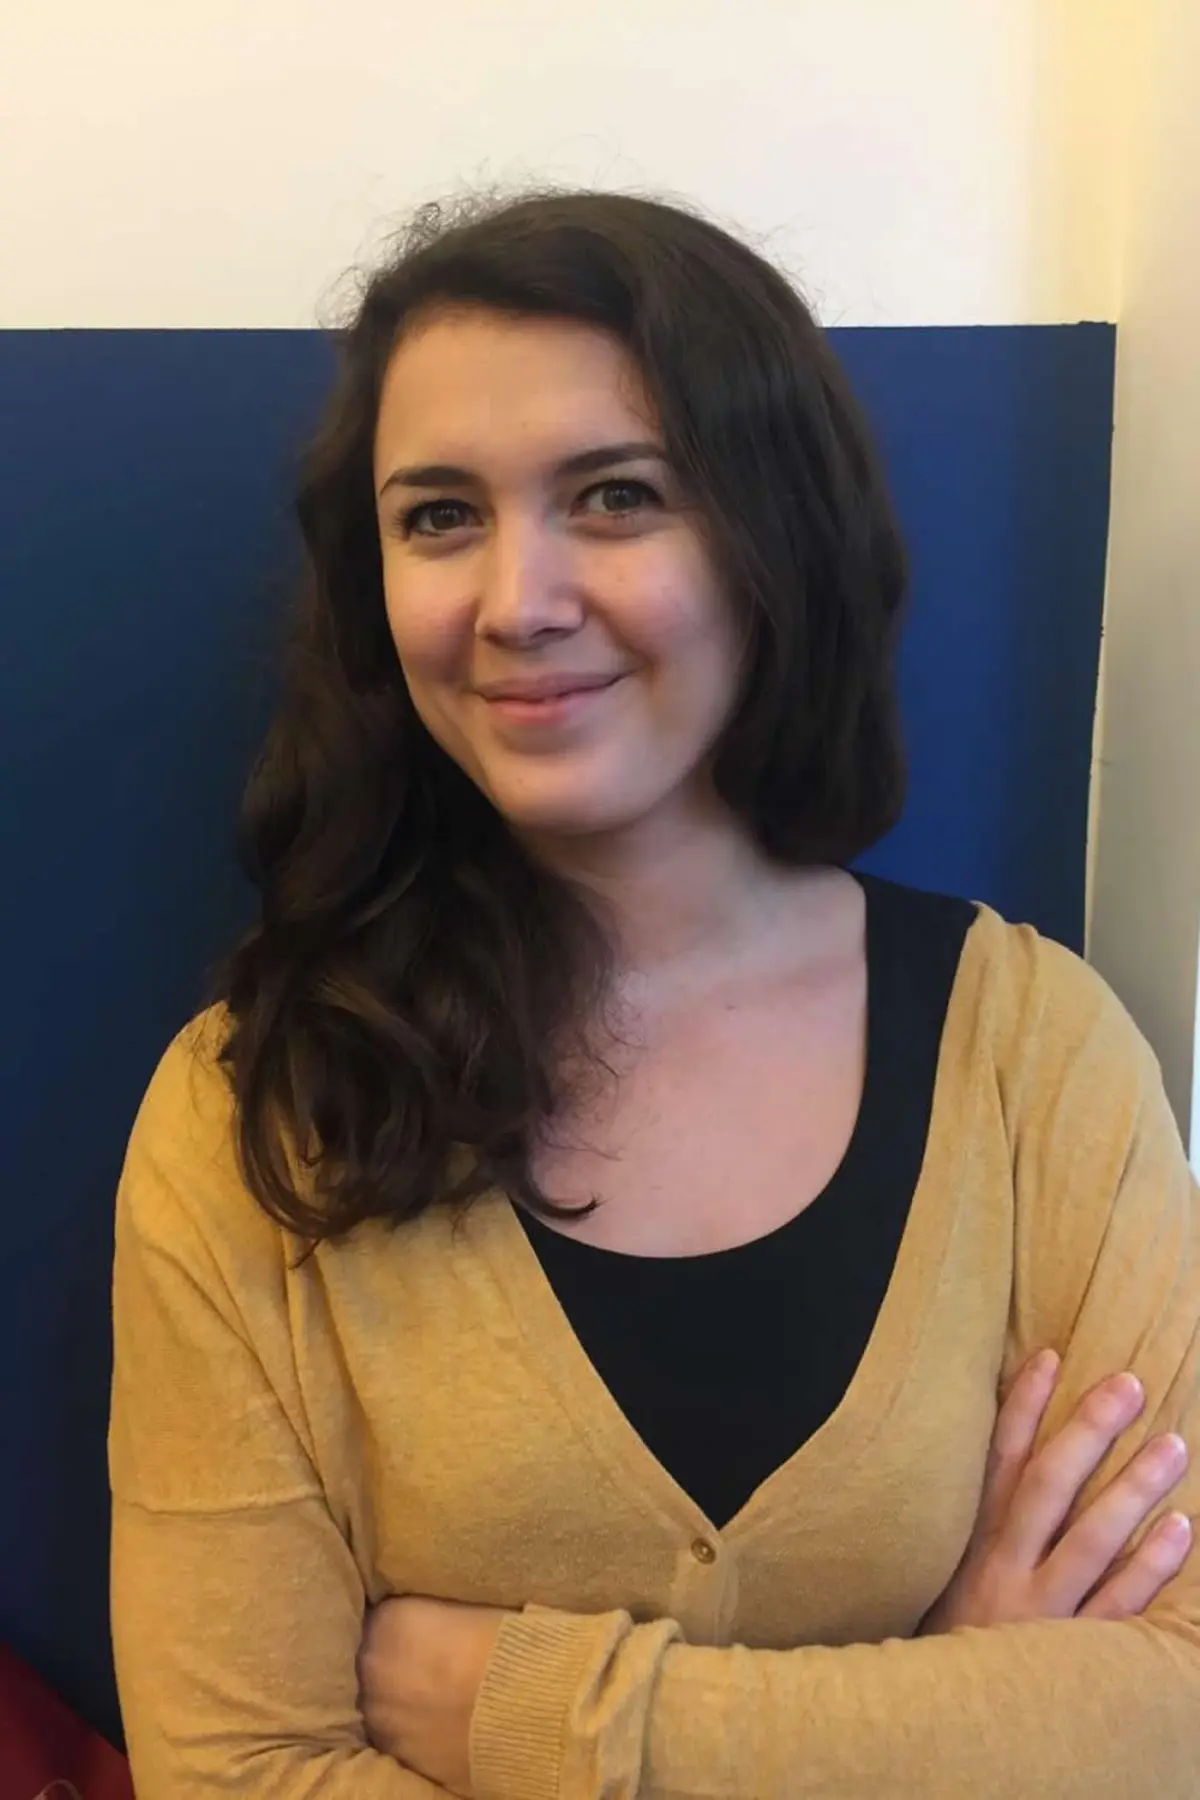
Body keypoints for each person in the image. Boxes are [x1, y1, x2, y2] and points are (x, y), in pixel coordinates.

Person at [109, 189, 1200, 1798]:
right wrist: (949, 1714)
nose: (517, 600)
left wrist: (537, 1712)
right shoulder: (253, 1112)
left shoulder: (1034, 1057)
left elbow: (1171, 1713)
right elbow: (239, 1776)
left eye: (616, 495)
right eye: (439, 517)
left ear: (773, 539)